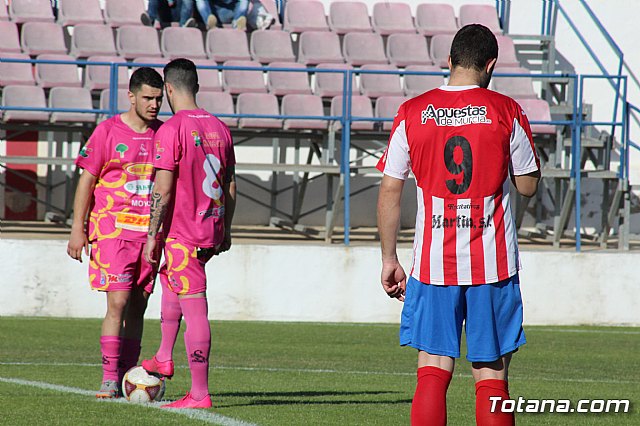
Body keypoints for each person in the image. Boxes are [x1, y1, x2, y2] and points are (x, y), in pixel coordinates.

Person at [376, 24, 540, 425]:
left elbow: (390, 191)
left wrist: (389, 258)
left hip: (433, 265)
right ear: (491, 65)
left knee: (432, 369)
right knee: (492, 376)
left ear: (448, 61)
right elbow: (527, 187)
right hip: (493, 264)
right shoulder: (506, 110)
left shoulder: (412, 112)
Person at [142, 58, 236, 409]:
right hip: (210, 227)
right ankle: (164, 355)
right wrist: (226, 229)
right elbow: (230, 184)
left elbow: (162, 191)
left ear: (168, 89)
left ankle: (199, 393)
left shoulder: (172, 130)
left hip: (183, 234)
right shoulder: (219, 127)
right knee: (172, 282)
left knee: (195, 308)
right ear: (195, 86)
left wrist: (153, 236)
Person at [67, 68, 165, 399]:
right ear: (132, 96)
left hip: (150, 234)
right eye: (148, 98)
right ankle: (110, 378)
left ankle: (127, 373)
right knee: (118, 301)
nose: (154, 105)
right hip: (112, 230)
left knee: (138, 305)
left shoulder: (163, 134)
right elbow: (87, 181)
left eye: (159, 99)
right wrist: (77, 229)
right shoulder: (107, 131)